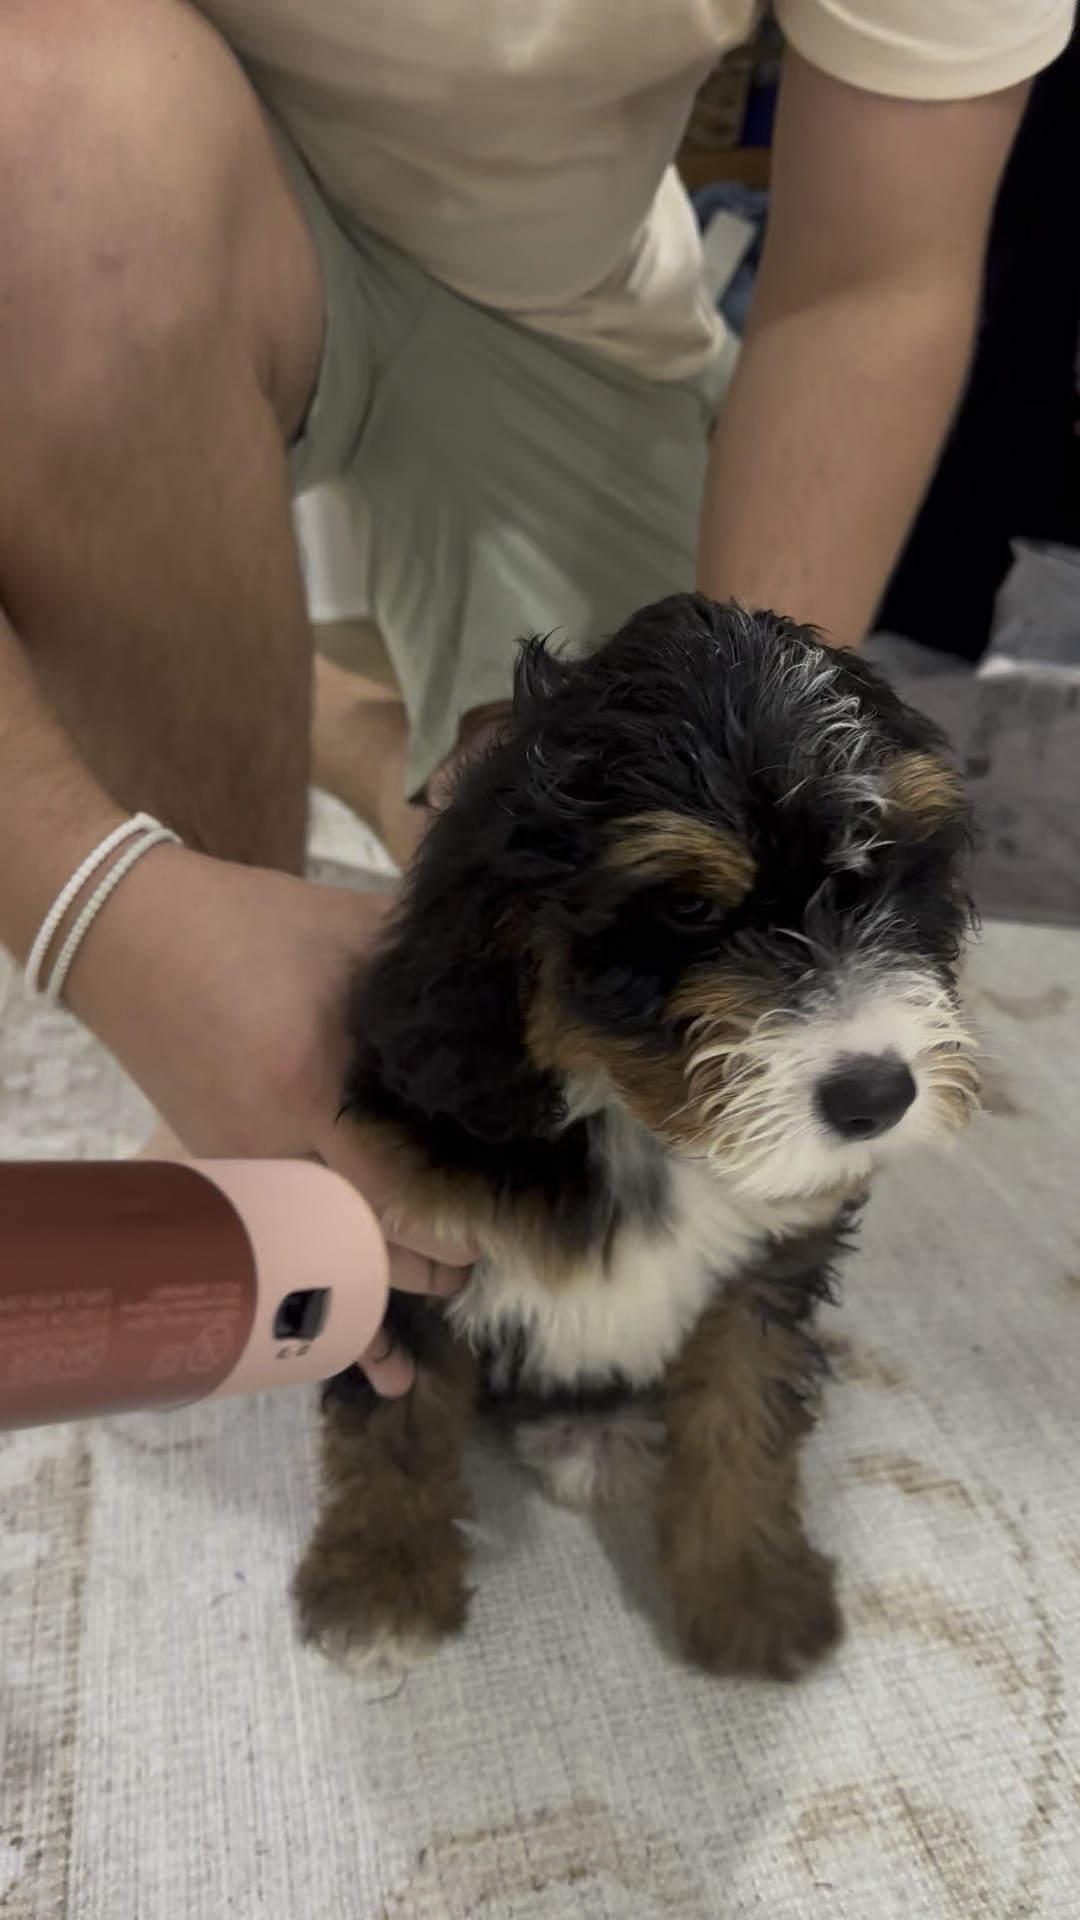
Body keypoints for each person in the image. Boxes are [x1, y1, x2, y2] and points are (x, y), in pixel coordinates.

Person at [0, 0, 1072, 1393]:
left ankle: (348, 729)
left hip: (577, 314)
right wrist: (103, 907)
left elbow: (872, 278)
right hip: (119, 204)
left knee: (592, 849)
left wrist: (749, 726)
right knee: (46, 121)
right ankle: (246, 996)